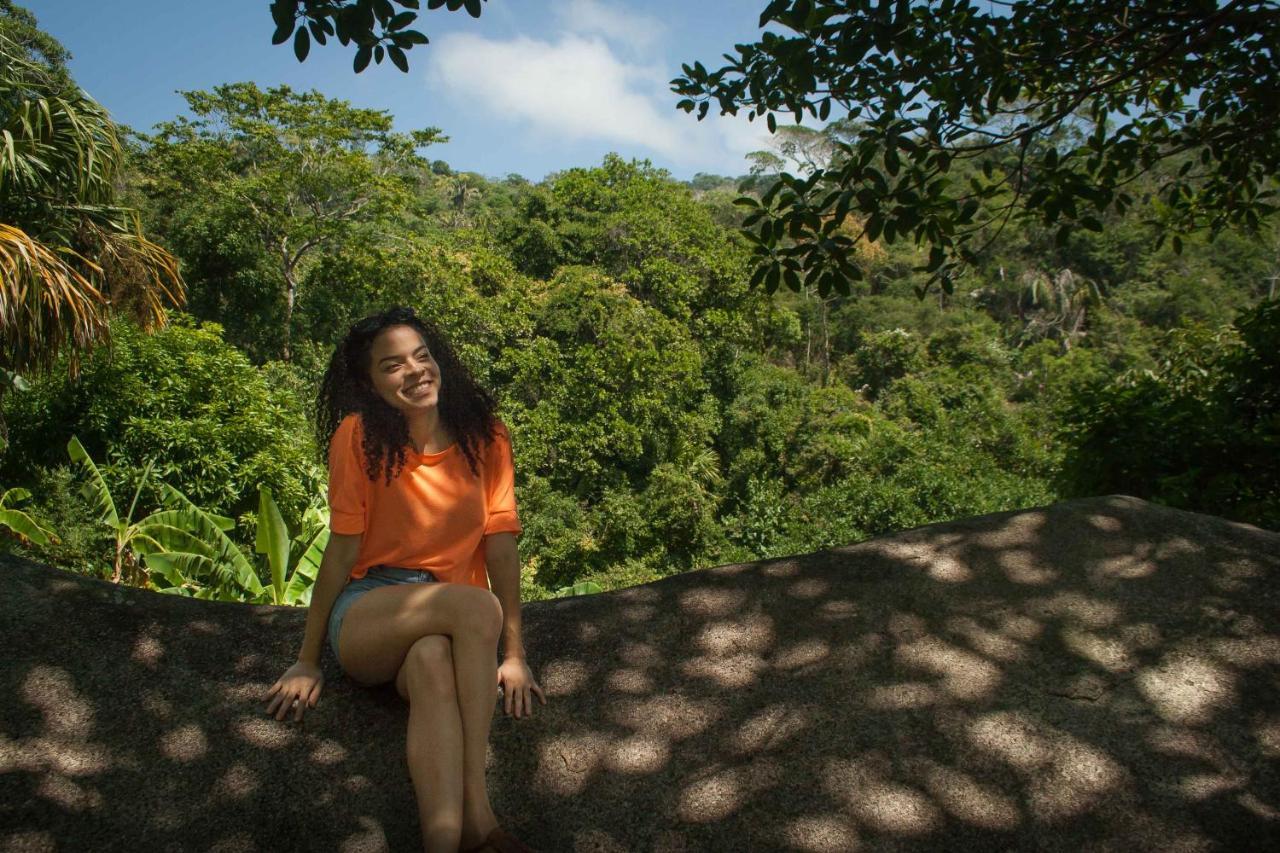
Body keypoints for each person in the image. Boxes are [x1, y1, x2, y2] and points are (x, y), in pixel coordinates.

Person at [265, 306, 545, 853]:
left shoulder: (486, 437)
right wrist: (306, 658)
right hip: (375, 609)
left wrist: (513, 656)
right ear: (369, 384)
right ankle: (482, 822)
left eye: (422, 355)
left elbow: (501, 545)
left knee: (432, 662)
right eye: (392, 365)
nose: (415, 371)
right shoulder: (358, 436)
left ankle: (442, 843)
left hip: (440, 625)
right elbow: (342, 550)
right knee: (474, 608)